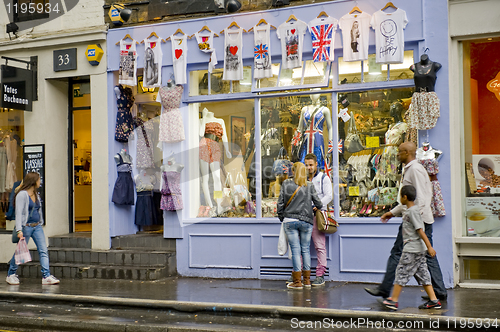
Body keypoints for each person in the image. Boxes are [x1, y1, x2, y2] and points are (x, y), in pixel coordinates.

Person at [365, 142, 447, 300]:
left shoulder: (414, 170)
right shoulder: (412, 169)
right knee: (426, 255)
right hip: (417, 218)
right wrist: (392, 212)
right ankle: (439, 291)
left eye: (399, 152)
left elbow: (421, 197)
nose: (397, 154)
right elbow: (411, 199)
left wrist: (415, 219)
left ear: (407, 153)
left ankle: (385, 289)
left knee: (398, 254)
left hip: (416, 220)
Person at [382, 185, 441, 310]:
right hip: (418, 249)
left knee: (401, 272)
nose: (399, 199)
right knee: (423, 274)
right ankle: (434, 300)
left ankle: (394, 300)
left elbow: (420, 230)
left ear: (404, 197)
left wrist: (430, 247)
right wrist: (390, 213)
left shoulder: (412, 211)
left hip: (412, 249)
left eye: (400, 196)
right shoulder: (411, 210)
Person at [6, 172, 60, 285]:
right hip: (26, 227)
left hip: (37, 226)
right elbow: (19, 213)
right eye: (39, 180)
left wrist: (41, 221)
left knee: (43, 250)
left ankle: (46, 276)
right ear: (33, 181)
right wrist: (19, 230)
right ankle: (11, 274)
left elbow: (38, 209)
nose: (40, 182)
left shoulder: (36, 193)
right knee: (19, 251)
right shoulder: (22, 194)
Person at [277, 162, 323, 289]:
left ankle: (297, 282)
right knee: (305, 249)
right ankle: (307, 281)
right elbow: (319, 204)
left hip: (290, 220)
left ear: (293, 171)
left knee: (296, 250)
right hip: (307, 221)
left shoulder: (286, 184)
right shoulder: (309, 185)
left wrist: (282, 217)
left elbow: (280, 204)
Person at [304, 153, 333, 286]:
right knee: (301, 246)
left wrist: (317, 205)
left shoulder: (323, 178)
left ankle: (320, 275)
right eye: (306, 165)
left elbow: (329, 196)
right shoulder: (302, 178)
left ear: (316, 164)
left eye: (311, 165)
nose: (309, 167)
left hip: (318, 215)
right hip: (304, 215)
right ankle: (299, 274)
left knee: (319, 246)